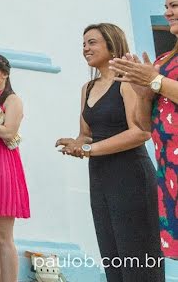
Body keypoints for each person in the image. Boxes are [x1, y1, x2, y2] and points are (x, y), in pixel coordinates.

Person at [57, 24, 163, 282]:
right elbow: (87, 133)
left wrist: (88, 149)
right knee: (112, 253)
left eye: (92, 42)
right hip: (100, 176)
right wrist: (76, 143)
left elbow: (139, 132)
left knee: (137, 256)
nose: (85, 49)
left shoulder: (126, 83)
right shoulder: (88, 88)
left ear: (112, 45)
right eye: (83, 44)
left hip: (130, 174)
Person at [111, 0, 178, 258]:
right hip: (170, 166)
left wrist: (156, 81)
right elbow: (144, 125)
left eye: (174, 6)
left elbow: (160, 83)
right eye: (166, 7)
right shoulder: (163, 60)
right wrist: (142, 93)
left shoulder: (159, 72)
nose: (168, 12)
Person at [0, 54, 30, 282]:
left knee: (2, 234)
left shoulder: (12, 100)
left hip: (2, 165)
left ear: (5, 73)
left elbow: (9, 131)